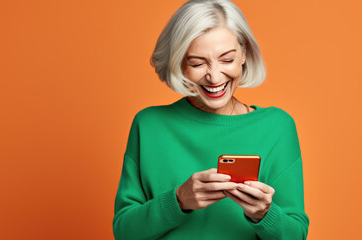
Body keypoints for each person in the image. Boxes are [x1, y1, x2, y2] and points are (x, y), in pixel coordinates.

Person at [112, 0, 309, 239]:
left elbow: (296, 235)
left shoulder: (277, 126)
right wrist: (179, 200)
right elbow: (124, 232)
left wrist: (264, 214)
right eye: (197, 63)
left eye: (227, 59)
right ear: (179, 63)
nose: (214, 77)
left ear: (244, 53)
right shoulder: (149, 125)